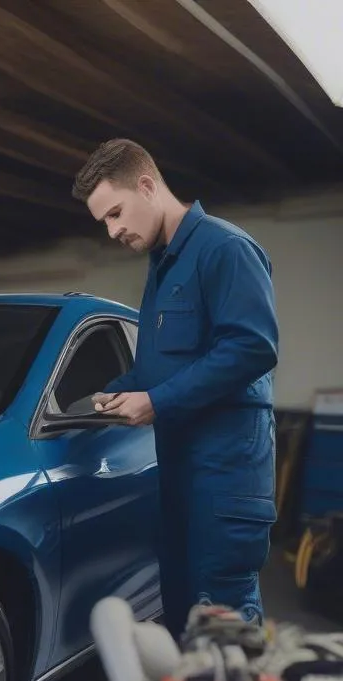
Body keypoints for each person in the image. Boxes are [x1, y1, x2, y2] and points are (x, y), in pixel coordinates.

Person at [71, 138, 279, 640]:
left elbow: (252, 347)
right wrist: (113, 394)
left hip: (226, 477)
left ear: (147, 185)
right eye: (104, 221)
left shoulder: (225, 248)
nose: (113, 230)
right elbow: (155, 371)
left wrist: (157, 402)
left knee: (224, 621)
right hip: (180, 475)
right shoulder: (162, 267)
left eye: (116, 213)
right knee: (184, 614)